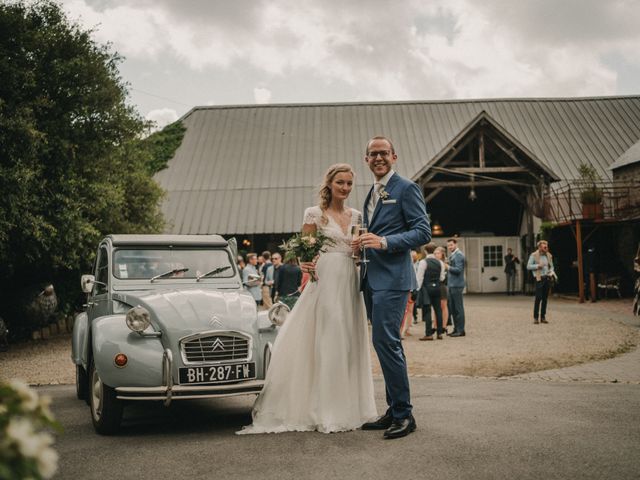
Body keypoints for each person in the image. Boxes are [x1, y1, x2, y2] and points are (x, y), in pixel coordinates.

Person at [237, 163, 376, 435]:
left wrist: (359, 252)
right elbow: (304, 250)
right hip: (325, 280)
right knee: (329, 337)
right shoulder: (314, 214)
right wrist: (303, 263)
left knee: (350, 339)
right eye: (340, 183)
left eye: (349, 183)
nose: (345, 188)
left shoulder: (356, 215)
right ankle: (326, 409)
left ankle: (351, 407)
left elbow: (357, 252)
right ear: (330, 183)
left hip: (350, 279)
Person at [354, 136, 430, 440]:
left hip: (394, 280)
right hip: (371, 278)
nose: (378, 158)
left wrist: (384, 242)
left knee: (387, 342)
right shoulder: (371, 192)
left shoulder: (406, 188)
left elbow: (422, 231)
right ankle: (393, 409)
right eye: (373, 154)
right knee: (383, 344)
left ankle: (404, 414)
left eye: (383, 153)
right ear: (366, 160)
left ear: (394, 156)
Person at [416, 243, 446, 340]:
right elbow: (442, 277)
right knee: (438, 310)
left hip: (426, 288)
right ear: (434, 251)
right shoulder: (440, 263)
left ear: (425, 251)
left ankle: (428, 334)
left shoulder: (423, 262)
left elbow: (419, 278)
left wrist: (416, 290)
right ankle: (440, 333)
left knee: (427, 310)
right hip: (437, 287)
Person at [527, 240, 555, 324]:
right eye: (544, 247)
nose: (546, 248)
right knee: (538, 298)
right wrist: (537, 266)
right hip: (539, 278)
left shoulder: (549, 255)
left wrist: (551, 271)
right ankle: (535, 317)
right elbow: (528, 266)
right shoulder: (534, 255)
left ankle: (543, 317)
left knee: (545, 299)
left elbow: (552, 266)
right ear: (539, 247)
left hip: (547, 278)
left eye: (546, 246)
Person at [447, 238, 466, 337]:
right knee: (453, 308)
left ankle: (461, 330)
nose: (450, 247)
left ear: (456, 244)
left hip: (457, 285)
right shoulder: (454, 255)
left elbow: (458, 270)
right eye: (449, 245)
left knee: (458, 308)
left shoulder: (459, 255)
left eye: (451, 245)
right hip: (452, 284)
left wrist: (448, 267)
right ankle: (456, 329)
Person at [434, 246, 449, 334]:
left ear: (442, 254)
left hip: (442, 286)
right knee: (435, 307)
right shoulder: (434, 262)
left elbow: (444, 277)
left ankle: (444, 326)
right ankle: (435, 325)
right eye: (435, 253)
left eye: (438, 253)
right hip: (435, 286)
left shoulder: (445, 264)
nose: (436, 255)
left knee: (443, 306)